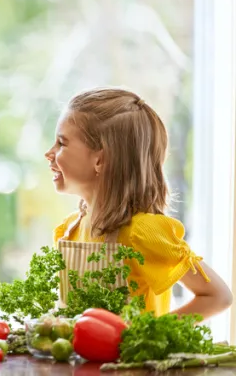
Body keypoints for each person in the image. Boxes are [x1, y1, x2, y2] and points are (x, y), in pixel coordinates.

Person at [45, 87, 232, 318]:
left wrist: (151, 336)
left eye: (61, 143)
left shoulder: (142, 233)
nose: (49, 153)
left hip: (130, 356)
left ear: (100, 159)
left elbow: (218, 296)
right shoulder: (69, 230)